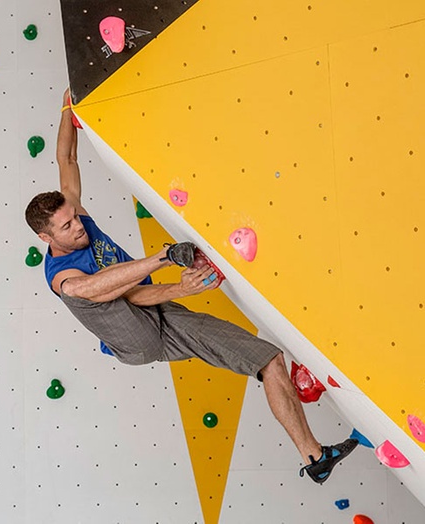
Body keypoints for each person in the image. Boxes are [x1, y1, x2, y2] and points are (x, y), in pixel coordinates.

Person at [23, 88, 357, 484]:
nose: (78, 225)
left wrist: (67, 107)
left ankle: (315, 456)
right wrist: (167, 264)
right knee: (93, 292)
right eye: (67, 227)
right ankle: (159, 269)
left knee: (267, 359)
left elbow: (67, 157)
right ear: (47, 238)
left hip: (158, 315)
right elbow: (121, 293)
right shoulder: (65, 278)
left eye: (74, 217)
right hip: (136, 338)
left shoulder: (72, 212)